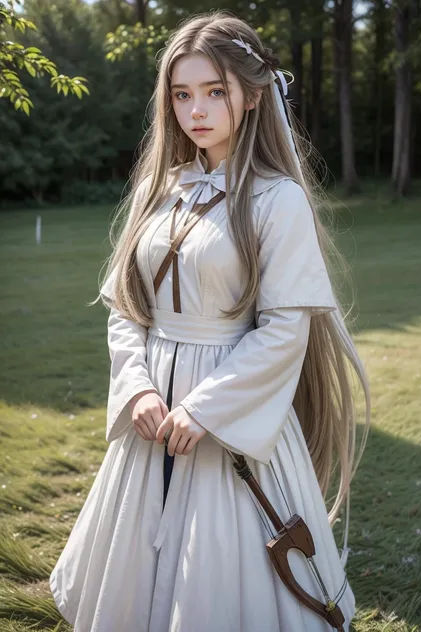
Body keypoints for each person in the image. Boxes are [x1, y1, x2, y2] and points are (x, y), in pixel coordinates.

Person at [49, 10, 370, 632]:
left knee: (220, 571)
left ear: (250, 96)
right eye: (182, 94)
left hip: (227, 408)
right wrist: (137, 384)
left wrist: (205, 409)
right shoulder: (161, 188)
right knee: (136, 573)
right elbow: (125, 305)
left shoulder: (278, 200)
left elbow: (284, 331)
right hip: (152, 407)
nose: (196, 109)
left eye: (214, 91)